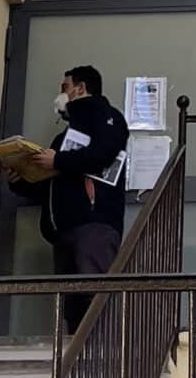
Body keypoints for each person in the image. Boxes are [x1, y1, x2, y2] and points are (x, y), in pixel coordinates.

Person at [10, 65, 130, 332]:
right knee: (74, 306)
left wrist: (58, 160)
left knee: (94, 295)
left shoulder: (107, 116)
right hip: (64, 229)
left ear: (80, 88)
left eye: (64, 87)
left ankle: (103, 350)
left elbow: (102, 154)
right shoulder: (63, 137)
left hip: (93, 223)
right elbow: (50, 183)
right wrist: (18, 176)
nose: (61, 94)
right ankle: (77, 355)